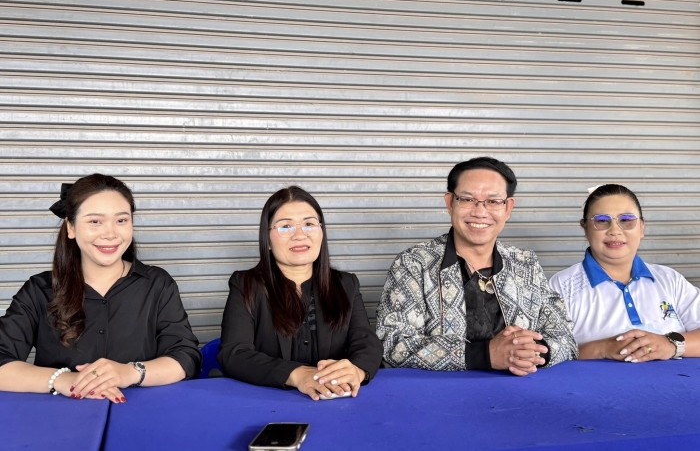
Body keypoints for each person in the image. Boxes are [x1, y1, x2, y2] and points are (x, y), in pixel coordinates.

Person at [0, 174, 201, 403]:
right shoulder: (39, 290)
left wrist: (129, 372)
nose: (110, 234)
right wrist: (63, 380)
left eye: (121, 220)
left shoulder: (157, 283)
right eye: (95, 221)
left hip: (142, 411)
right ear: (71, 227)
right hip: (61, 413)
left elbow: (186, 356)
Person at [376, 157, 577, 375]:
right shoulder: (414, 264)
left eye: (493, 201)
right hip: (442, 392)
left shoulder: (525, 264)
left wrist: (534, 352)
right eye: (467, 199)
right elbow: (391, 343)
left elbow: (565, 337)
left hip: (518, 390)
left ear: (508, 208)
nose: (480, 212)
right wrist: (485, 354)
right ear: (450, 203)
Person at [218, 186, 382, 400]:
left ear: (322, 232)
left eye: (309, 224)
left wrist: (357, 370)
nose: (299, 235)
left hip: (336, 401)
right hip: (268, 401)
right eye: (285, 226)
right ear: (267, 238)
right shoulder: (246, 285)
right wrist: (296, 374)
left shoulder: (346, 284)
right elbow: (234, 354)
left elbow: (367, 343)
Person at [550, 184, 700, 362]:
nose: (615, 231)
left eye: (627, 220)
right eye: (601, 220)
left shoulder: (670, 280)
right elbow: (543, 352)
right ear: (585, 229)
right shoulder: (561, 287)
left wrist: (670, 344)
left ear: (642, 228)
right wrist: (602, 348)